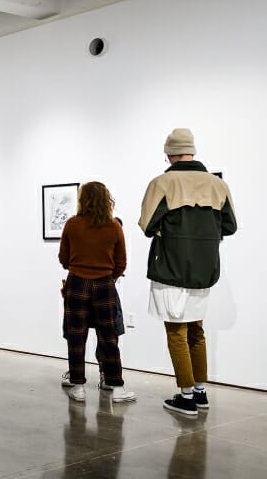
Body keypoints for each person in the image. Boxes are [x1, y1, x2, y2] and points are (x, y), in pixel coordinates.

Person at [139, 128, 237, 417]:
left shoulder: (162, 183)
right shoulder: (218, 185)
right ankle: (200, 392)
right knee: (196, 330)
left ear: (169, 154)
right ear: (192, 151)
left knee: (176, 332)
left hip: (170, 267)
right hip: (204, 269)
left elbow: (147, 225)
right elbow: (229, 226)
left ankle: (185, 397)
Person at [58, 182, 136, 403]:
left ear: (83, 200)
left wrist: (78, 267)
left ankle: (79, 387)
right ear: (106, 200)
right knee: (108, 337)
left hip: (77, 284)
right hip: (104, 285)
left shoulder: (72, 224)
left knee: (76, 336)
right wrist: (107, 277)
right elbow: (121, 262)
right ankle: (117, 387)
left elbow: (64, 258)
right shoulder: (114, 226)